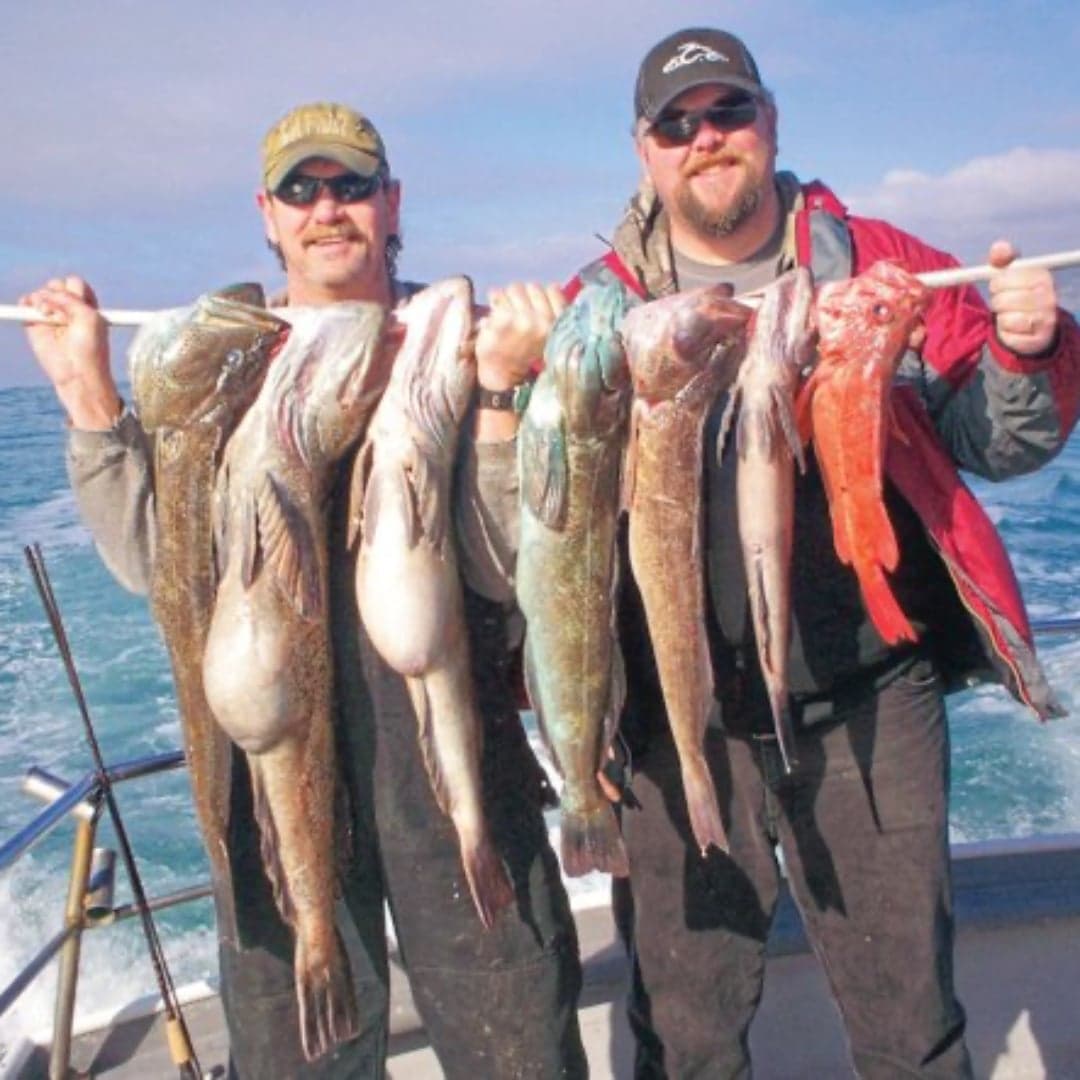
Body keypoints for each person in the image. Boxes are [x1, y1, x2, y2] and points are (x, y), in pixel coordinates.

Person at [480, 27, 1080, 1079]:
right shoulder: (596, 309)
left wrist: (1028, 350)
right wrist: (504, 388)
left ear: (770, 123)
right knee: (689, 1035)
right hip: (681, 726)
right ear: (645, 150)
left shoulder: (885, 262)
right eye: (678, 124)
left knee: (911, 1025)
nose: (706, 139)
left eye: (728, 113)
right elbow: (534, 527)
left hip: (868, 698)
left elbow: (993, 441)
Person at [21, 102, 585, 1079]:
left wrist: (500, 394)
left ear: (391, 201)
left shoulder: (466, 345)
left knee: (519, 1045)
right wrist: (87, 396)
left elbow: (505, 572)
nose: (327, 209)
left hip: (451, 760)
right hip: (273, 779)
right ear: (268, 214)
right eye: (301, 190)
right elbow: (166, 569)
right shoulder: (226, 364)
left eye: (351, 186)